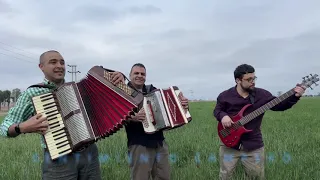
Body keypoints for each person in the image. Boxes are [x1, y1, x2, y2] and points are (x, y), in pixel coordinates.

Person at [0, 50, 125, 180]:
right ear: (41, 67)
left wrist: (118, 78)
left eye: (62, 62)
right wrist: (21, 127)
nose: (59, 66)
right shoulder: (33, 93)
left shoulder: (80, 89)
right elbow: (4, 126)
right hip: (59, 159)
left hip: (90, 154)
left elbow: (106, 96)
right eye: (53, 62)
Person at [213, 64, 306, 180]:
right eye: (248, 79)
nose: (253, 82)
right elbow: (217, 110)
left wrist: (295, 96)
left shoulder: (262, 95)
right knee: (225, 176)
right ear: (238, 80)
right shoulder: (225, 96)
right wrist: (223, 116)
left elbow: (279, 105)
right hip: (229, 144)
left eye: (254, 78)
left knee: (256, 177)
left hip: (253, 145)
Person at [124, 63, 189, 180]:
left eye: (142, 74)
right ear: (130, 75)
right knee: (140, 177)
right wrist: (132, 117)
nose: (140, 76)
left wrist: (183, 105)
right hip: (139, 144)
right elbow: (115, 117)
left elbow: (169, 104)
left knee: (164, 176)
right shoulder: (124, 93)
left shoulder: (151, 90)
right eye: (136, 73)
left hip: (159, 143)